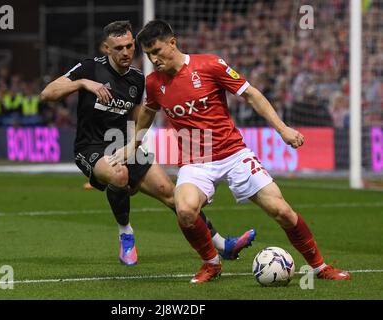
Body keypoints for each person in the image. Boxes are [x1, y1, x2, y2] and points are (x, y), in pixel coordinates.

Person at [111, 19, 350, 283]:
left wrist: (283, 129)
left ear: (172, 43)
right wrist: (132, 145)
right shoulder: (154, 83)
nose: (153, 59)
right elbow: (148, 113)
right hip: (195, 161)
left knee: (281, 210)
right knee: (186, 210)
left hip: (233, 153)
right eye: (148, 55)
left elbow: (251, 95)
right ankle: (211, 263)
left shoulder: (210, 64)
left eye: (156, 51)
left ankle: (320, 267)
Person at [40, 21, 255, 267]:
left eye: (130, 46)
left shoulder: (138, 79)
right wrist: (83, 83)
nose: (126, 52)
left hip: (123, 145)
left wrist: (135, 145)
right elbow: (47, 94)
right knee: (119, 174)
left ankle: (221, 245)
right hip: (90, 147)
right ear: (106, 49)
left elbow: (139, 116)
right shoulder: (90, 69)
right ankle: (126, 234)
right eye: (118, 48)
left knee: (173, 195)